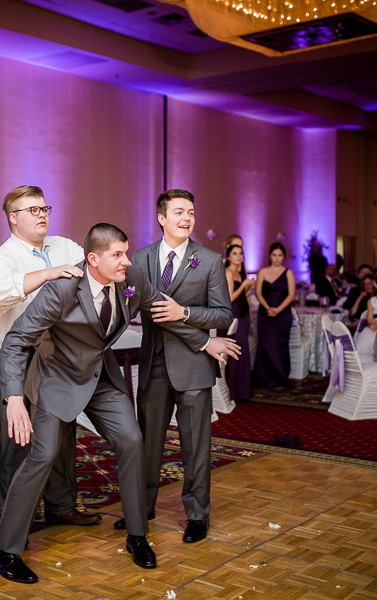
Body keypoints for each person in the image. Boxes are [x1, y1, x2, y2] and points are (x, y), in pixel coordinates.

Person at [0, 223, 240, 584]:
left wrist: (205, 343)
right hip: (57, 379)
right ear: (93, 259)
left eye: (126, 252)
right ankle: (5, 552)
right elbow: (15, 341)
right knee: (42, 456)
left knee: (132, 441)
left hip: (101, 378)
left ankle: (138, 536)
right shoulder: (61, 290)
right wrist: (13, 397)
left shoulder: (132, 277)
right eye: (117, 255)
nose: (127, 261)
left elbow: (161, 311)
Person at [124, 189, 234, 544]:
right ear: (161, 218)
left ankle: (198, 515)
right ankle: (143, 508)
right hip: (154, 363)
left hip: (193, 367)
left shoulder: (209, 260)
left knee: (195, 446)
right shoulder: (141, 258)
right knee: (147, 444)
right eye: (179, 212)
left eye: (191, 212)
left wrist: (184, 312)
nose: (187, 218)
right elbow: (136, 306)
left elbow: (223, 313)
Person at [0, 185, 95, 529]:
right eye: (33, 210)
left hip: (57, 357)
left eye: (45, 208)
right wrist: (48, 273)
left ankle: (61, 505)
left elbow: (91, 271)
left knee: (61, 431)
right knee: (17, 438)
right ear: (13, 219)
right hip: (12, 358)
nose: (43, 214)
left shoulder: (65, 246)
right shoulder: (2, 258)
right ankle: (13, 516)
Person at [252, 242, 295, 388]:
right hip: (265, 313)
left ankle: (281, 377)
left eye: (280, 255)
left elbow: (291, 295)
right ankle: (264, 377)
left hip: (283, 315)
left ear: (284, 257)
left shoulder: (288, 273)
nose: (277, 258)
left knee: (281, 345)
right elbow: (257, 293)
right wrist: (268, 307)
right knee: (264, 344)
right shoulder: (263, 272)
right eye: (274, 255)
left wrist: (278, 309)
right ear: (270, 256)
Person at [223, 244, 254, 401]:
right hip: (234, 315)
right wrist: (243, 285)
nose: (238, 256)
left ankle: (243, 392)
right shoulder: (228, 272)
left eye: (240, 253)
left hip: (244, 315)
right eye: (234, 253)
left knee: (243, 353)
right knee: (235, 353)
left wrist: (249, 287)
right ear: (228, 257)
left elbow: (244, 295)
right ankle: (233, 392)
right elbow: (230, 298)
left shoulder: (241, 271)